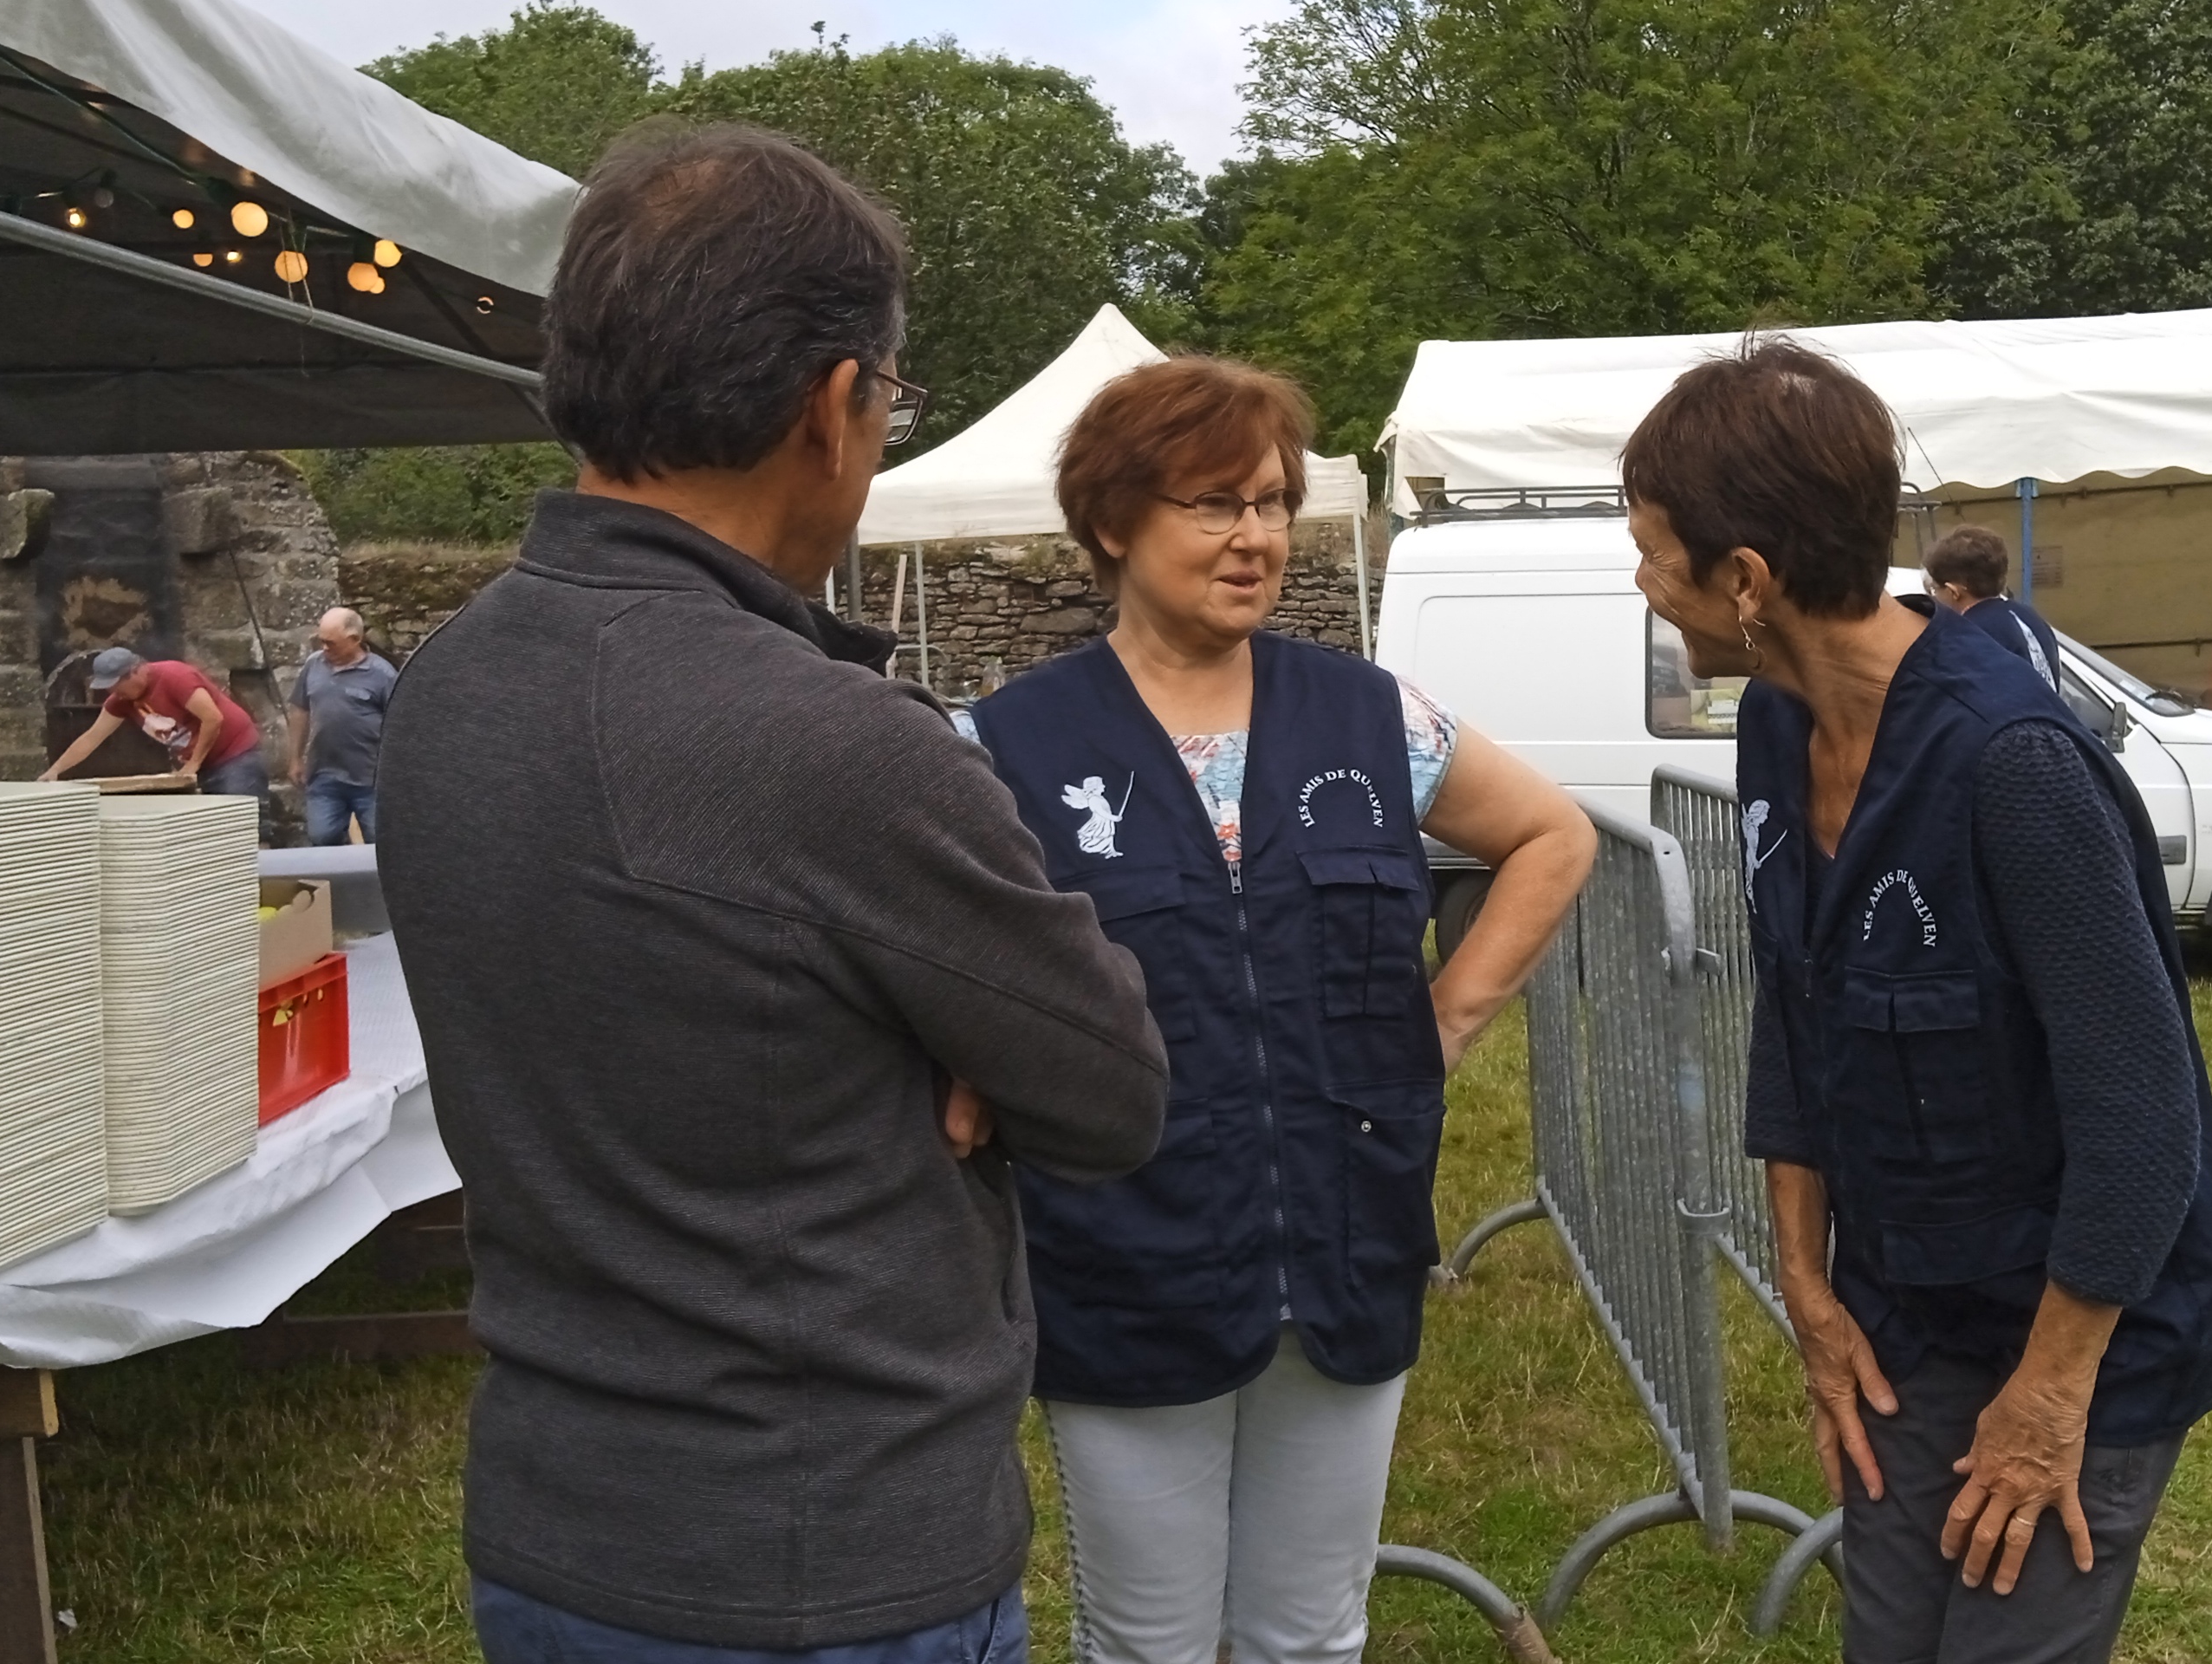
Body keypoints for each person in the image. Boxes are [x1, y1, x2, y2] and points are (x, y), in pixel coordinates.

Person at [373, 122, 1169, 1664]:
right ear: (833, 406)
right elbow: (1113, 1086)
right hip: (821, 1554)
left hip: (557, 1519)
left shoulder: (453, 678)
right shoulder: (829, 741)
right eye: (890, 398)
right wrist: (945, 1050)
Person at [958, 357, 1593, 1664]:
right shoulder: (1007, 747)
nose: (1254, 537)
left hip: (1345, 1238)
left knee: (1311, 1633)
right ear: (1111, 523)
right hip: (1130, 1254)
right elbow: (947, 962)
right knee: (1151, 1639)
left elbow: (1551, 836)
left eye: (1273, 501)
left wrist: (1446, 1023)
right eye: (1211, 502)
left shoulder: (1368, 716)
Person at [1624, 335, 2212, 1662]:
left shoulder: (2014, 768)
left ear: (1745, 581)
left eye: (1656, 553)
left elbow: (2141, 1123)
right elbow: (1796, 1008)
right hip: (1904, 1307)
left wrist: (2051, 1394)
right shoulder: (1778, 725)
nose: (1643, 581)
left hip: (2083, 1326)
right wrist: (1809, 1284)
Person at [35, 648, 264, 798]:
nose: (112, 692)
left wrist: (193, 765)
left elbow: (213, 718)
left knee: (245, 827)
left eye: (116, 685)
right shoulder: (122, 700)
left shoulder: (174, 676)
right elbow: (92, 737)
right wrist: (55, 771)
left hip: (236, 755)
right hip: (202, 764)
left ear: (136, 672)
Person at [285, 606, 394, 844]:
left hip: (370, 778)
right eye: (321, 641)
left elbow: (398, 725)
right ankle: (331, 883)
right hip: (324, 775)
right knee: (321, 838)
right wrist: (295, 758)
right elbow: (300, 710)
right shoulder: (313, 665)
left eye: (331, 643)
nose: (324, 648)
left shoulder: (382, 675)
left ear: (355, 640)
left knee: (380, 843)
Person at [1926, 524, 2063, 684]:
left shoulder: (1967, 635)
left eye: (1935, 590)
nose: (1935, 598)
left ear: (1953, 592)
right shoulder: (2030, 618)